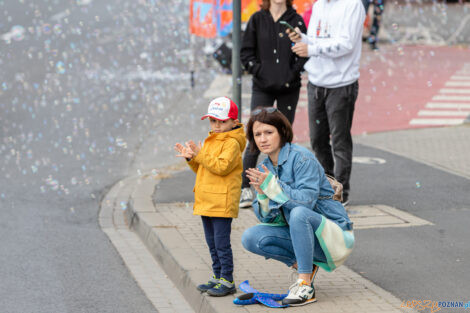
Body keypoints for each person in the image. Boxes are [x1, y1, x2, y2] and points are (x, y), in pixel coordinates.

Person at [241, 107, 354, 306]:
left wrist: (273, 186)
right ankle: (305, 265)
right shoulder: (264, 168)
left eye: (269, 132)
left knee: (299, 213)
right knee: (250, 237)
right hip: (306, 234)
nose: (263, 139)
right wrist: (262, 194)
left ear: (282, 133)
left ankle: (305, 284)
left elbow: (306, 202)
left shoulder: (302, 158)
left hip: (334, 237)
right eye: (257, 134)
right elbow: (267, 219)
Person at [287, 0, 366, 206]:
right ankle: (327, 186)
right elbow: (315, 39)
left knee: (339, 142)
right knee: (318, 140)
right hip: (316, 82)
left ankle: (341, 193)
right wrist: (301, 38)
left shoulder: (353, 5)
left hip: (341, 83)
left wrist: (311, 49)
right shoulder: (320, 4)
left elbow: (346, 44)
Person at [174, 96, 246, 297]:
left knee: (222, 244)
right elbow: (203, 169)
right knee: (211, 242)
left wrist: (199, 154)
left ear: (233, 121)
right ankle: (217, 276)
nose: (216, 125)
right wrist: (191, 158)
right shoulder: (211, 140)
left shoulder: (231, 143)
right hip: (207, 200)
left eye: (221, 121)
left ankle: (228, 279)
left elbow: (221, 167)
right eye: (213, 121)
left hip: (221, 202)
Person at [239, 0, 308, 208]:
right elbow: (246, 52)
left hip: (289, 87)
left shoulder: (295, 21)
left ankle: (282, 187)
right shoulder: (257, 19)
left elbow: (303, 52)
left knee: (283, 136)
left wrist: (291, 72)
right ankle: (246, 188)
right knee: (256, 135)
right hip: (262, 86)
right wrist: (259, 71)